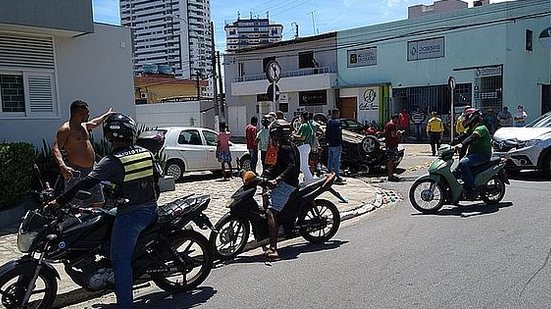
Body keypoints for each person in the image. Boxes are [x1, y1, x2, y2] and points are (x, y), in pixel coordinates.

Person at [47, 113, 160, 309]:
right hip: (150, 209)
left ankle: (125, 305)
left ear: (109, 136)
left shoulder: (112, 160)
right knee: (101, 218)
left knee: (120, 260)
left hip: (131, 215)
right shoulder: (145, 152)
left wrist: (60, 200)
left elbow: (87, 182)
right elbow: (156, 179)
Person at [52, 100, 113, 207]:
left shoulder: (84, 126)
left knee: (98, 201)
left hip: (92, 170)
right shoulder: (65, 129)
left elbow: (95, 122)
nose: (88, 115)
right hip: (76, 171)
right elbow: (56, 148)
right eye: (86, 113)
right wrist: (62, 166)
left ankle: (95, 223)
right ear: (78, 113)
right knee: (75, 204)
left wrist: (106, 115)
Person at [264, 119, 300, 260]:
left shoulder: (285, 147)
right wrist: (266, 173)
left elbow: (291, 166)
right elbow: (277, 164)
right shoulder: (290, 145)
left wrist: (277, 180)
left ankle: (273, 249)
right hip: (288, 182)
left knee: (270, 211)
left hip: (288, 184)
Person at [455, 108, 492, 198]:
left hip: (483, 155)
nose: (464, 119)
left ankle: (472, 188)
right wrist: (448, 146)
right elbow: (461, 137)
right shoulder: (471, 128)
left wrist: (461, 144)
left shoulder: (481, 128)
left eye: (466, 117)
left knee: (463, 164)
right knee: (456, 171)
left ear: (472, 117)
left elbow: (472, 138)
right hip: (473, 154)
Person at [292, 111, 314, 181]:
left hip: (303, 147)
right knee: (303, 166)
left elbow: (302, 137)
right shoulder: (308, 125)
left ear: (302, 117)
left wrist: (294, 135)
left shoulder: (304, 125)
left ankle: (310, 180)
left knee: (303, 166)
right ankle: (308, 179)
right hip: (306, 146)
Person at [326, 108, 345, 184]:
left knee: (330, 159)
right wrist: (342, 144)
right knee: (336, 160)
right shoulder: (338, 122)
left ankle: (329, 174)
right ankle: (337, 176)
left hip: (330, 144)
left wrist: (327, 141)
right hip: (337, 144)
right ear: (336, 113)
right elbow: (339, 134)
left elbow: (326, 133)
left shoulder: (328, 122)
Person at [384, 114, 403, 181]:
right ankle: (390, 175)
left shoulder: (388, 124)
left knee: (391, 160)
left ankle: (391, 174)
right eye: (398, 119)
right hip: (391, 145)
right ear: (395, 118)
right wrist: (399, 134)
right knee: (391, 160)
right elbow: (393, 135)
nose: (398, 121)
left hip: (390, 144)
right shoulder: (392, 125)